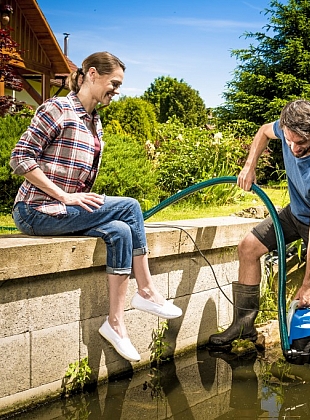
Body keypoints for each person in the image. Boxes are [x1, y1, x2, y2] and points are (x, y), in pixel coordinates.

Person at [9, 51, 182, 363]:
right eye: (113, 83)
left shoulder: (95, 123)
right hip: (35, 210)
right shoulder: (57, 108)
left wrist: (75, 199)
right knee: (130, 207)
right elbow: (20, 158)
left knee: (119, 231)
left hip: (64, 213)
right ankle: (147, 292)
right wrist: (63, 195)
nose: (117, 90)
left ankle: (115, 324)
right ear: (90, 74)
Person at [208, 99, 310, 364]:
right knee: (248, 248)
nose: (293, 149)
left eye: (301, 144)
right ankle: (244, 327)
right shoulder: (287, 129)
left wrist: (307, 286)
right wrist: (250, 167)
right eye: (289, 140)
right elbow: (263, 131)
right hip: (294, 213)